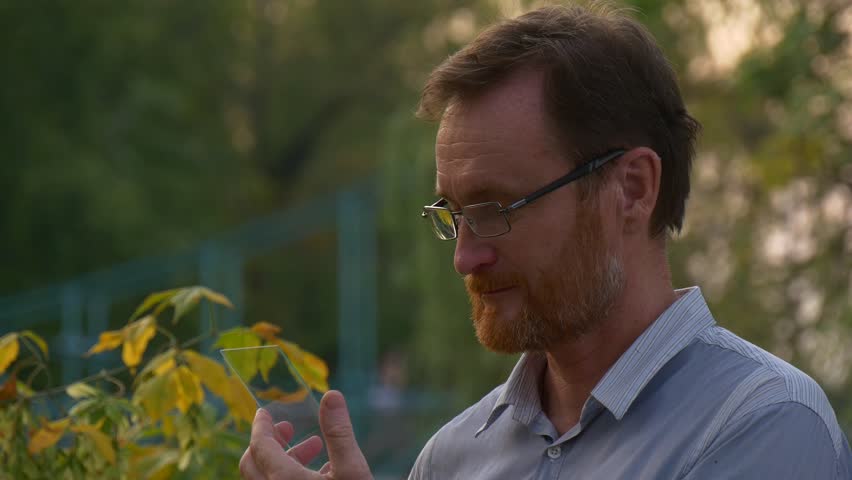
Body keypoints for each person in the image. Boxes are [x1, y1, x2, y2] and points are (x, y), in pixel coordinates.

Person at [239, 3, 852, 479]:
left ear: (632, 189)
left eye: (497, 207)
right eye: (453, 213)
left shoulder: (762, 424)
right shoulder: (451, 459)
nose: (465, 256)